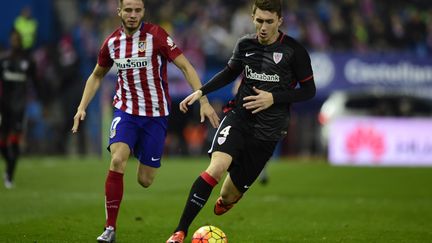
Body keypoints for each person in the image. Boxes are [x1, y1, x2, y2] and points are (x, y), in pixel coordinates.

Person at [166, 0, 316, 242]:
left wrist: (273, 98)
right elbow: (229, 73)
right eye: (259, 21)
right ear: (253, 18)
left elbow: (309, 91)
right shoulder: (245, 44)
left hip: (268, 131)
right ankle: (179, 231)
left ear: (280, 20)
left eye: (269, 21)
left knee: (227, 196)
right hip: (239, 118)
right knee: (215, 168)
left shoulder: (294, 51)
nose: (263, 26)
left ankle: (228, 199)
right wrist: (201, 91)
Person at [71, 0, 220, 242]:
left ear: (143, 12)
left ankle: (140, 148)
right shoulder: (112, 43)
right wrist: (81, 107)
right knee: (118, 159)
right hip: (125, 112)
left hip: (155, 116)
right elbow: (96, 75)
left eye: (137, 10)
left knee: (145, 180)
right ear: (119, 11)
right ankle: (110, 229)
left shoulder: (157, 35)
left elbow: (185, 66)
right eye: (127, 10)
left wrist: (203, 100)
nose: (132, 15)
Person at [0, 29, 37, 189]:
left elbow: (37, 83)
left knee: (15, 140)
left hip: (19, 107)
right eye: (13, 39)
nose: (15, 42)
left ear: (21, 41)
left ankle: (9, 174)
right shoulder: (4, 60)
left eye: (17, 39)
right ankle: (9, 163)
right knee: (2, 140)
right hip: (4, 106)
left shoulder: (28, 61)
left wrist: (44, 101)